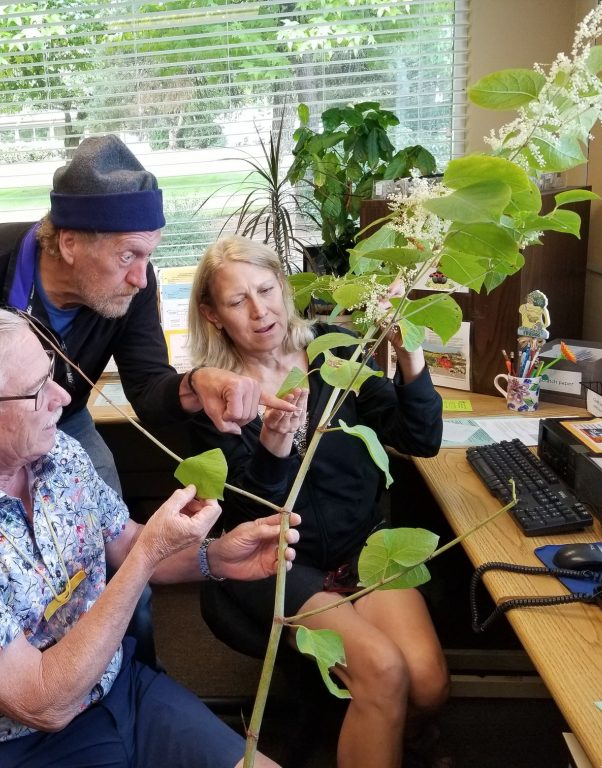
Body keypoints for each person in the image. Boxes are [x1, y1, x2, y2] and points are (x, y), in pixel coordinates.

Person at [0, 305, 300, 768]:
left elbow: (124, 543)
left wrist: (213, 557)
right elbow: (41, 703)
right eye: (36, 391)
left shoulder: (58, 455)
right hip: (12, 743)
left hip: (118, 688)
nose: (62, 397)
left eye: (51, 373)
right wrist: (149, 552)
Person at [0, 134, 289, 494]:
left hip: (68, 421)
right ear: (71, 242)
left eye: (148, 255)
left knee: (111, 536)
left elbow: (148, 391)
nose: (141, 277)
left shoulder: (133, 286)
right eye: (128, 254)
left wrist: (198, 383)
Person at [186, 236, 451, 768]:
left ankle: (387, 731)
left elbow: (419, 438)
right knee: (382, 671)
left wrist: (410, 355)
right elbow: (246, 514)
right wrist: (273, 452)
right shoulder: (215, 396)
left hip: (359, 546)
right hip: (277, 560)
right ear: (213, 316)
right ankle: (374, 716)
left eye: (267, 290)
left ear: (285, 289)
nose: (261, 311)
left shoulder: (334, 348)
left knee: (427, 684)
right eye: (238, 301)